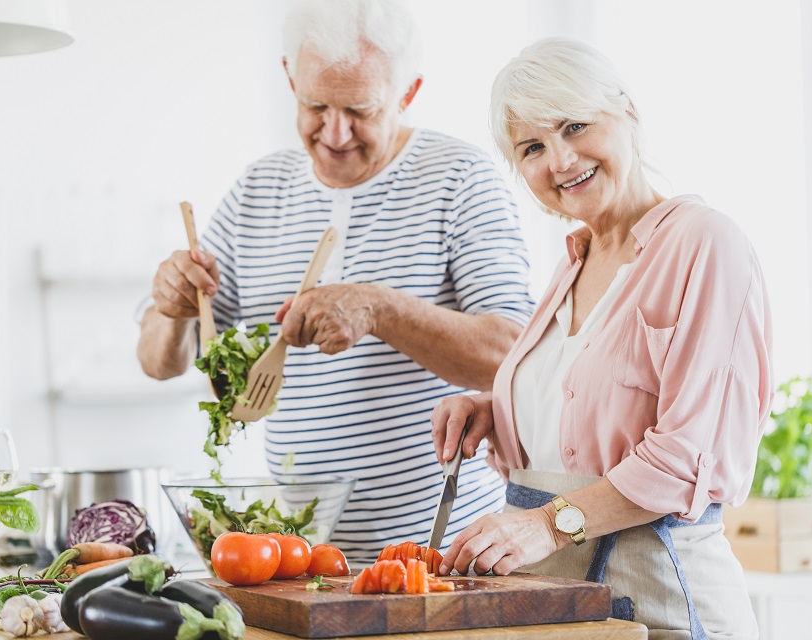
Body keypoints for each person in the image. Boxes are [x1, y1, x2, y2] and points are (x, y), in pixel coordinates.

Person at [137, 0, 535, 563]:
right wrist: (172, 308)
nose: (335, 131)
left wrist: (379, 310)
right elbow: (159, 362)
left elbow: (511, 356)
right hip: (298, 557)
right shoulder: (257, 190)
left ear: (408, 92)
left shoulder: (459, 178)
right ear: (289, 78)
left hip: (447, 553)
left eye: (360, 109)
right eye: (315, 104)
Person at [431, 37, 772, 640]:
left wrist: (545, 525)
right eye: (532, 147)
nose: (560, 160)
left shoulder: (705, 243)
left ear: (628, 113)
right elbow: (591, 418)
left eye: (575, 126)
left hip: (667, 608)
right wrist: (500, 410)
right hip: (567, 611)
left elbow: (685, 455)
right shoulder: (576, 261)